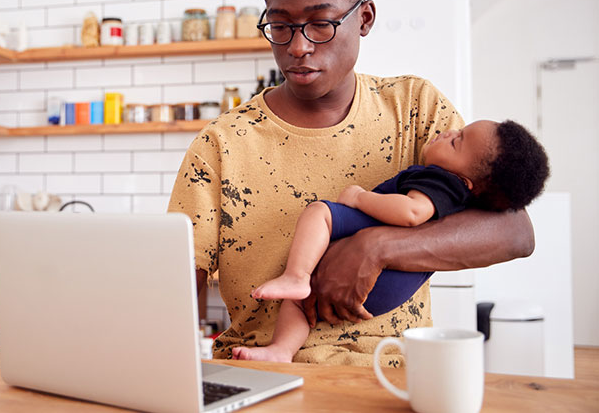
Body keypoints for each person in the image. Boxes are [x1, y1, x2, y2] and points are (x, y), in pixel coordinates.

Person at [167, 0, 535, 366]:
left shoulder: (416, 109)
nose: (298, 47)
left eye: (321, 24)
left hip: (391, 376)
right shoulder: (222, 144)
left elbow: (515, 232)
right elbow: (177, 285)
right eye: (280, 26)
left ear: (364, 18)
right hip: (260, 372)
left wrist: (376, 248)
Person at [231, 119, 549, 362]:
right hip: (391, 291)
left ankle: (295, 275)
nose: (449, 131)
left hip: (382, 275)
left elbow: (411, 212)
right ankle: (281, 350)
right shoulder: (464, 185)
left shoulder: (441, 180)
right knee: (301, 302)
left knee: (320, 213)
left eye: (457, 141)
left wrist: (359, 199)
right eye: (459, 131)